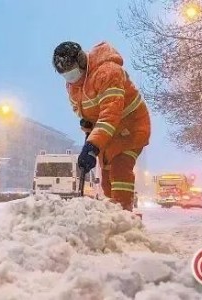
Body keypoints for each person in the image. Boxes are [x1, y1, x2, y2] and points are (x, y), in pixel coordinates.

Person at [52, 41, 151, 211]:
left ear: (82, 61)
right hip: (108, 133)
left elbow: (110, 114)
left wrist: (92, 146)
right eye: (67, 76)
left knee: (120, 167)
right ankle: (112, 218)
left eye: (73, 73)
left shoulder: (108, 72)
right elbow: (85, 113)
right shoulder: (73, 87)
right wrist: (88, 128)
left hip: (131, 127)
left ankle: (124, 215)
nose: (72, 79)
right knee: (106, 180)